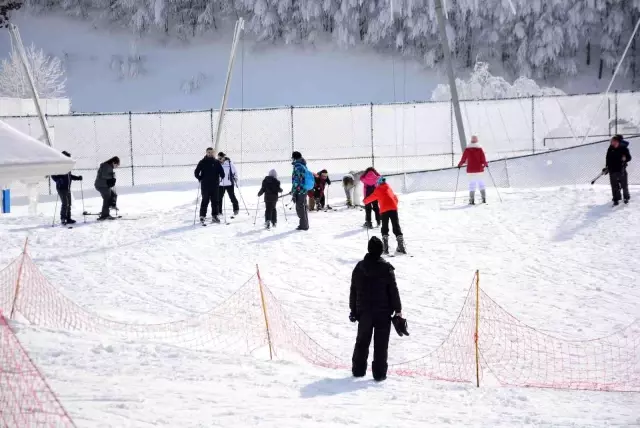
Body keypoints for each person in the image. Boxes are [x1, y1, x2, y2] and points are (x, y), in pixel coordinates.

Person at [350, 236, 403, 382]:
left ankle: (358, 370)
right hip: (383, 313)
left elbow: (353, 291)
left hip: (364, 313)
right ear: (380, 251)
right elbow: (393, 290)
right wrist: (398, 310)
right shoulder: (386, 268)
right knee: (381, 344)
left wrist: (353, 310)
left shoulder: (359, 267)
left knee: (362, 341)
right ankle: (379, 374)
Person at [363, 177, 406, 255]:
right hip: (393, 208)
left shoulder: (378, 189)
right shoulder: (389, 187)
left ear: (378, 183)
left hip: (384, 210)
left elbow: (371, 198)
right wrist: (393, 205)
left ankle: (385, 248)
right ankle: (400, 245)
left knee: (385, 227)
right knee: (396, 225)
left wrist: (365, 201)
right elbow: (395, 198)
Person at [194, 147, 225, 223]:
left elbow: (222, 172)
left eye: (211, 152)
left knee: (215, 201)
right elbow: (196, 172)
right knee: (205, 201)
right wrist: (200, 178)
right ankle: (202, 216)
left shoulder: (216, 162)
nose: (210, 154)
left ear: (214, 153)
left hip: (215, 185)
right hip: (205, 185)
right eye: (209, 152)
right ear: (206, 153)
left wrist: (222, 175)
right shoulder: (202, 162)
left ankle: (215, 216)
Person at [51, 151, 82, 225]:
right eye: (67, 158)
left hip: (67, 188)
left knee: (69, 204)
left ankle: (68, 218)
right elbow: (53, 175)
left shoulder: (67, 166)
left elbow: (69, 176)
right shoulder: (58, 165)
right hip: (61, 188)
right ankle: (63, 219)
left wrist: (78, 178)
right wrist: (58, 180)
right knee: (65, 203)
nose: (68, 159)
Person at [458, 135, 489, 205]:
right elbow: (483, 159)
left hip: (470, 170)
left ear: (471, 141)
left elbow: (463, 159)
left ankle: (471, 200)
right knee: (481, 184)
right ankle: (483, 198)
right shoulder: (480, 149)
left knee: (472, 185)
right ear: (477, 141)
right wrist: (485, 164)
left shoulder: (467, 149)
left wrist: (460, 164)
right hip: (479, 169)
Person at [604, 135, 632, 206]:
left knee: (624, 185)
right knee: (614, 185)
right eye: (612, 141)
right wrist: (606, 167)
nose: (613, 143)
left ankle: (626, 197)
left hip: (621, 170)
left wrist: (625, 158)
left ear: (619, 142)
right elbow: (608, 159)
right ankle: (616, 198)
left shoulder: (624, 149)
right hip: (612, 170)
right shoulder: (610, 149)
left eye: (614, 141)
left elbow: (629, 158)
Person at [94, 156, 120, 221]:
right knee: (107, 199)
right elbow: (104, 175)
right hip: (102, 185)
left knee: (113, 194)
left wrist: (112, 176)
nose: (116, 166)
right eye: (117, 165)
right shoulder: (107, 166)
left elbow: (106, 175)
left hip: (103, 185)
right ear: (113, 162)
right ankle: (105, 215)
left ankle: (109, 207)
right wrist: (112, 176)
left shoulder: (108, 166)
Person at [291, 151, 310, 231]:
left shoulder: (298, 167)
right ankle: (305, 224)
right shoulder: (303, 165)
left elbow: (296, 181)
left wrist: (293, 191)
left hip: (299, 190)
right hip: (304, 189)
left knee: (300, 208)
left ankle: (303, 225)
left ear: (295, 158)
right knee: (303, 207)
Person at [218, 152, 240, 216]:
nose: (220, 159)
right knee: (219, 198)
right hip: (221, 184)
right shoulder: (217, 163)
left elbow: (235, 172)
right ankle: (219, 211)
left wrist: (235, 178)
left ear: (224, 157)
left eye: (221, 158)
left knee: (232, 196)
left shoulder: (229, 163)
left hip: (229, 183)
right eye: (218, 158)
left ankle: (236, 209)